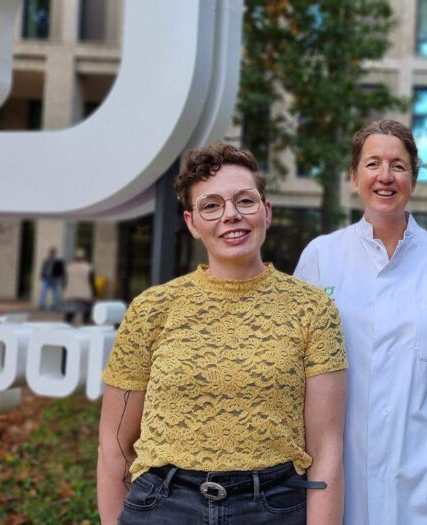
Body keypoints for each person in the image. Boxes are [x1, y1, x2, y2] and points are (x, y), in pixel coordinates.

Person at [97, 143, 348, 525]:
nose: (231, 215)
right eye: (211, 206)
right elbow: (114, 448)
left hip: (273, 508)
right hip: (164, 507)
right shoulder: (152, 310)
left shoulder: (311, 309)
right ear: (192, 223)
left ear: (266, 212)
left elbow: (327, 450)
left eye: (244, 201)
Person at [294, 119, 427, 524]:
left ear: (413, 180)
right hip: (340, 467)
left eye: (398, 166)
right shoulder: (320, 257)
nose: (385, 176)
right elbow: (294, 365)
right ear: (353, 177)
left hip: (424, 477)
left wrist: (418, 431)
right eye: (372, 164)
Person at [62, 248, 95, 325]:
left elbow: (65, 281)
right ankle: (86, 330)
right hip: (84, 295)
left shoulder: (69, 267)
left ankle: (65, 331)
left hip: (70, 294)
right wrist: (93, 294)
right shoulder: (88, 268)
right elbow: (91, 282)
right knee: (86, 315)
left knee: (68, 316)